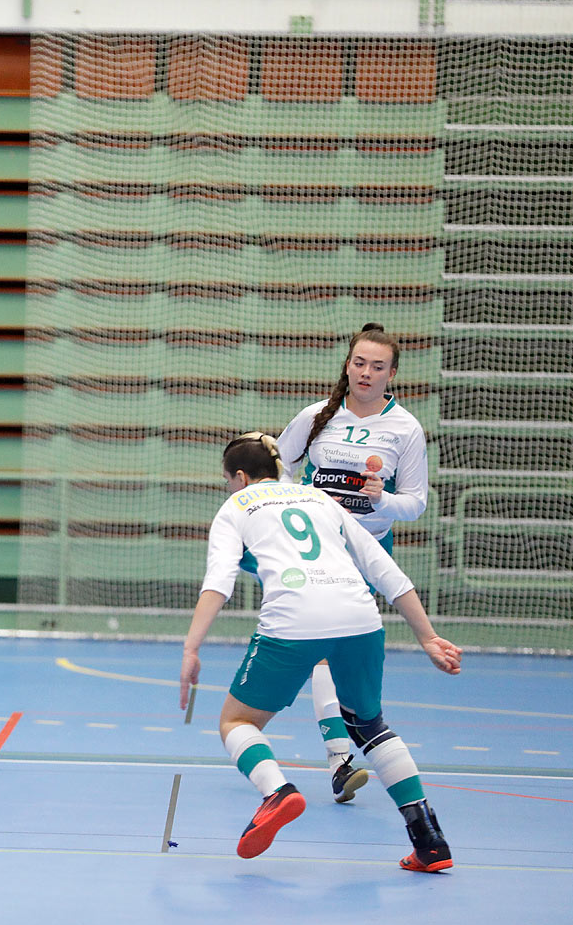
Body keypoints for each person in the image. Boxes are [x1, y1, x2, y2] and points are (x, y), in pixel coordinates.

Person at [179, 432, 461, 871]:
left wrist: (191, 647)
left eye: (227, 479)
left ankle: (277, 792)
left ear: (239, 477)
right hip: (359, 616)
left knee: (237, 721)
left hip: (293, 619)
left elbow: (220, 581)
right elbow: (382, 568)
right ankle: (430, 841)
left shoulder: (235, 507)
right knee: (370, 725)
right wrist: (427, 637)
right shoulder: (320, 500)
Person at [276, 323, 429, 806]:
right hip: (318, 552)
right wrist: (294, 501)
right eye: (359, 363)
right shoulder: (316, 416)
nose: (366, 372)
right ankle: (340, 760)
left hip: (371, 551)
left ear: (392, 374)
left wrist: (384, 500)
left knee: (345, 656)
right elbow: (278, 466)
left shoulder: (405, 428)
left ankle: (348, 752)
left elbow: (417, 503)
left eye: (377, 366)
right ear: (348, 365)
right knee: (322, 651)